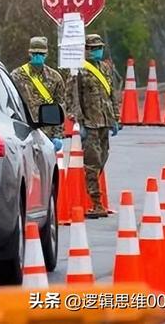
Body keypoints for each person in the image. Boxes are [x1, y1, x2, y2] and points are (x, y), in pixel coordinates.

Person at [66, 34, 120, 219]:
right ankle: (96, 202)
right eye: (94, 48)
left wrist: (115, 118)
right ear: (86, 50)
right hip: (89, 123)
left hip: (104, 121)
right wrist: (78, 121)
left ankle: (93, 196)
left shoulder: (105, 68)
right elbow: (72, 97)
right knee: (92, 162)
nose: (98, 51)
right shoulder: (79, 70)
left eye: (100, 48)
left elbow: (112, 94)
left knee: (103, 158)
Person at [10, 36, 65, 151]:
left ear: (46, 55)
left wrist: (58, 135)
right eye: (35, 54)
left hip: (47, 136)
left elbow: (59, 107)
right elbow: (10, 104)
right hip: (24, 134)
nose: (38, 56)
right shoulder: (16, 76)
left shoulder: (55, 78)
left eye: (41, 54)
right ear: (29, 54)